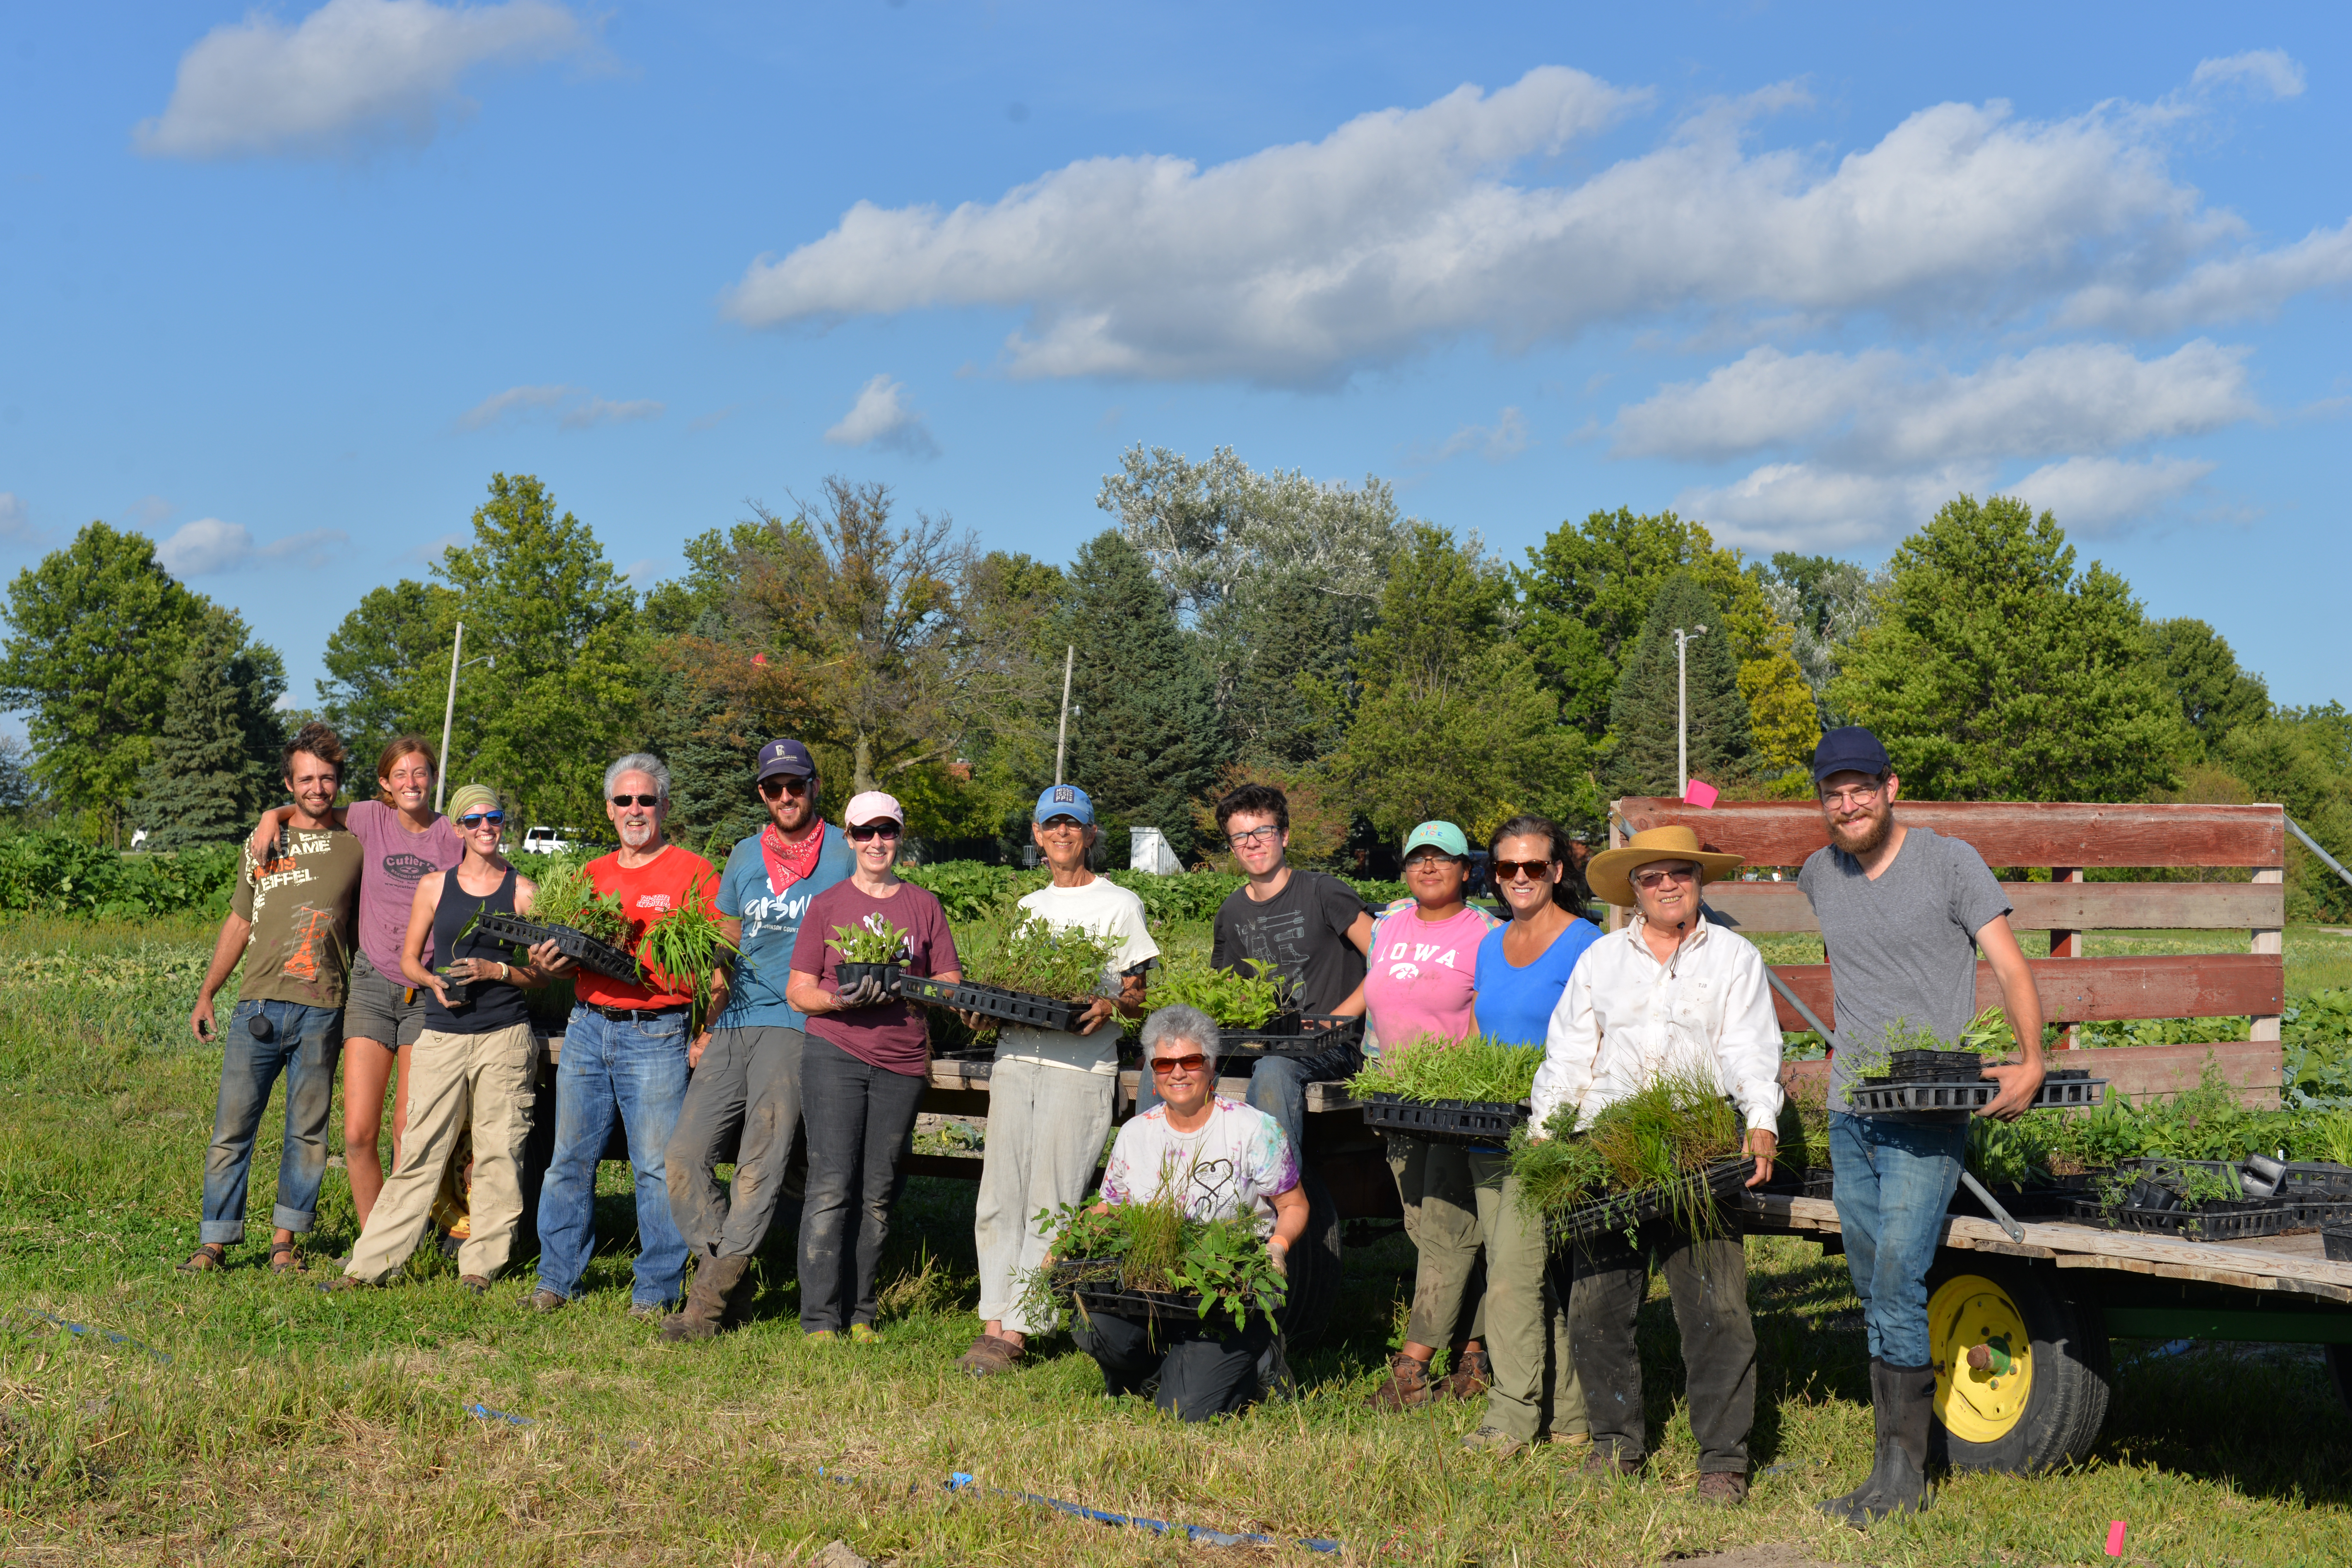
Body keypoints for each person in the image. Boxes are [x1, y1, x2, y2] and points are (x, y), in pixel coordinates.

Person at [1798, 727, 2045, 1525]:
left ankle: (1904, 1483)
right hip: (1849, 1111)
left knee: (1900, 1280)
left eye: (1861, 787)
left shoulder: (1949, 862)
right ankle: (1886, 1470)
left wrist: (2031, 1057)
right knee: (1872, 1285)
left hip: (1926, 1113)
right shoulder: (1817, 873)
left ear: (1890, 786)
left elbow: (2007, 961)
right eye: (1833, 793)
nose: (1848, 803)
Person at [1531, 824, 1784, 1503]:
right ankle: (1616, 1445)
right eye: (1652, 876)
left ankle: (1723, 1460)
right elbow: (1569, 1053)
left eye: (1681, 872)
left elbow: (1750, 1049)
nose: (1668, 884)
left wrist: (1760, 1121)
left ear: (1699, 881)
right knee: (1596, 1308)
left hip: (1698, 1146)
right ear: (1633, 890)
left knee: (1716, 1308)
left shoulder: (1733, 957)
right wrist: (1548, 1132)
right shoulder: (1602, 960)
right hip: (1607, 1145)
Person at [958, 783, 1158, 1377]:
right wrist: (983, 1009)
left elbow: (1138, 997)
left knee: (1052, 1196)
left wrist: (1108, 1005)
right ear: (1038, 836)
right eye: (1052, 825)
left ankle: (1018, 1327)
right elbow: (1015, 988)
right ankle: (992, 1314)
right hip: (1017, 1059)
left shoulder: (1120, 903)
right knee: (999, 1194)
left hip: (1080, 1067)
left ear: (1092, 833)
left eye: (1074, 824)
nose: (1063, 833)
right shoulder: (1028, 908)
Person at [660, 738, 855, 1342]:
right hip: (735, 1021)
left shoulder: (845, 854)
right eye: (774, 787)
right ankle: (734, 1272)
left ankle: (707, 1301)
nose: (786, 796)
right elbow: (725, 948)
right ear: (763, 794)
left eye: (795, 784)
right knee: (683, 1158)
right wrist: (710, 1021)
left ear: (814, 786)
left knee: (758, 1164)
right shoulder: (746, 855)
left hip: (798, 1024)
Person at [323, 785, 548, 1293]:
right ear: (459, 828)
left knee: (498, 1150)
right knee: (420, 1147)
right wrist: (431, 983)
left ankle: (480, 1266)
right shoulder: (434, 886)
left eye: (493, 817)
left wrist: (497, 969)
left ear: (502, 823)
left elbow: (542, 975)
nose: (484, 827)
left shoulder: (523, 891)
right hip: (442, 1033)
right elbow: (408, 959)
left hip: (504, 1037)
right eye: (473, 820)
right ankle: (372, 1265)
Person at [532, 754, 727, 1318]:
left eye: (646, 799)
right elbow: (568, 961)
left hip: (657, 1031)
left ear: (664, 806)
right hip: (588, 1027)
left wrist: (709, 1028)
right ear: (610, 809)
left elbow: (721, 962)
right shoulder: (590, 875)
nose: (635, 809)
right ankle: (557, 1276)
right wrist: (550, 961)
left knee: (654, 1165)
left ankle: (656, 1288)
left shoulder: (694, 872)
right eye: (624, 800)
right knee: (568, 1157)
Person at [245, 737, 462, 1227]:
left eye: (420, 772)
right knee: (359, 1134)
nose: (411, 783)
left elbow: (488, 875)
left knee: (408, 1128)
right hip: (370, 982)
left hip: (428, 988)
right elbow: (313, 806)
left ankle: (411, 1234)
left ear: (432, 777)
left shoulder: (452, 835)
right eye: (399, 775)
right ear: (385, 783)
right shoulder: (370, 817)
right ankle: (375, 1239)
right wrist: (269, 817)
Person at [181, 724, 364, 1275]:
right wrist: (208, 991)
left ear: (338, 781)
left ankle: (285, 1242)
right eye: (306, 778)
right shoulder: (263, 841)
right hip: (257, 1004)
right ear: (290, 782)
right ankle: (214, 1240)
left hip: (323, 1006)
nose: (317, 787)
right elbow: (239, 920)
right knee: (232, 1128)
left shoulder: (356, 842)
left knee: (308, 1133)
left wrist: (275, 810)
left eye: (327, 777)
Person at [1074, 1005, 1307, 1421]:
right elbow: (1110, 1207)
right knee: (1092, 1324)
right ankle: (1161, 1371)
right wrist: (1065, 1246)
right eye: (1165, 1063)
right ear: (1152, 1069)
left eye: (1190, 1061)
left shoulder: (1253, 1129)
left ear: (1211, 1065)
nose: (1177, 1073)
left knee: (1184, 1413)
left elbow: (1293, 1204)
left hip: (1225, 1291)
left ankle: (1256, 1360)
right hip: (1155, 1290)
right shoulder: (1135, 1134)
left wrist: (1277, 1245)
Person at [787, 790, 961, 1341]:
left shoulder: (923, 905)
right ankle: (819, 1316)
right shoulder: (828, 904)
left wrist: (911, 986)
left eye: (886, 831)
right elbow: (799, 990)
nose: (877, 842)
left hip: (901, 1059)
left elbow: (951, 982)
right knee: (830, 1185)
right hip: (834, 1054)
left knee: (878, 1190)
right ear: (850, 839)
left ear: (899, 837)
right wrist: (841, 999)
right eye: (865, 833)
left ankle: (861, 1312)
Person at [1460, 814, 1605, 1456]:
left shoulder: (1586, 944)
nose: (1520, 877)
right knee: (1526, 1275)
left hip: (1549, 1135)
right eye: (1506, 867)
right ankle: (1570, 1415)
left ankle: (1509, 1419)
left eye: (1534, 867)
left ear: (1558, 871)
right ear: (1493, 874)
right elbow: (1479, 1031)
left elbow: (1605, 1040)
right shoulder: (1491, 944)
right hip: (1488, 1130)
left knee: (1512, 1278)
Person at [1137, 782, 1372, 1159]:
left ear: (1284, 836)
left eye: (1263, 831)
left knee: (1273, 1072)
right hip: (1263, 1041)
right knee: (1163, 1064)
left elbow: (1388, 958)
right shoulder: (1231, 912)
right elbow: (1226, 994)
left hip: (1334, 1045)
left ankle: (1280, 1201)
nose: (1253, 843)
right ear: (1231, 847)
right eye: (1240, 836)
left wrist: (1339, 1018)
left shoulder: (1322, 892)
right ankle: (1159, 1183)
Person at [1362, 820, 1502, 1410]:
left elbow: (1490, 1013)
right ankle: (1474, 1354)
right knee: (1426, 1227)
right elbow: (1375, 1009)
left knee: (1447, 1228)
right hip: (1396, 1098)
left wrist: (1465, 1083)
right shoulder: (1388, 926)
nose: (1428, 867)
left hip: (1457, 1102)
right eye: (1417, 857)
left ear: (1466, 869)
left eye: (1441, 859)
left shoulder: (1489, 932)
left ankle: (1411, 1368)